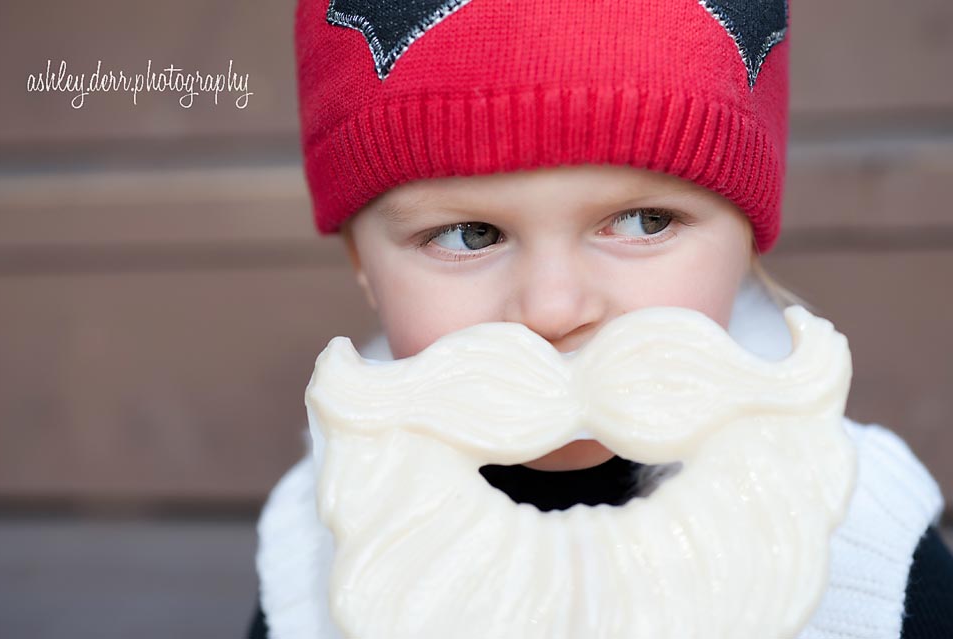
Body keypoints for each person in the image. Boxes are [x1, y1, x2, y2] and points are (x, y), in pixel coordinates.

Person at [248, 0, 953, 636]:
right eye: (469, 234)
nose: (555, 309)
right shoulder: (316, 542)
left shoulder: (861, 535)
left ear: (746, 233)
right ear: (360, 263)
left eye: (644, 221)